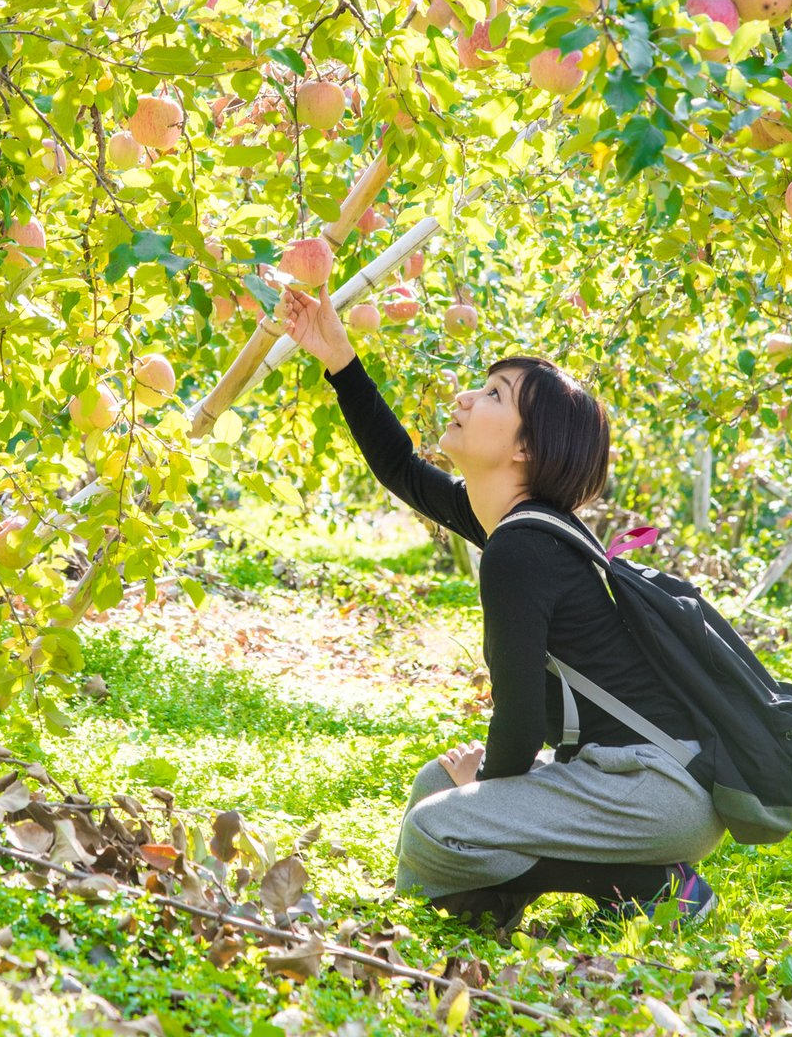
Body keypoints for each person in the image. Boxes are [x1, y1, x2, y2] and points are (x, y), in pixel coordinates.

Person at [279, 282, 723, 933]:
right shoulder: (525, 527)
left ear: (525, 449)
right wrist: (340, 359)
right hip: (631, 777)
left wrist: (487, 779)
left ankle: (650, 884)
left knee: (437, 827)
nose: (466, 396)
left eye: (493, 395)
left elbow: (518, 718)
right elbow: (402, 469)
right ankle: (494, 902)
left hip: (656, 793)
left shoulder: (522, 549)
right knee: (438, 783)